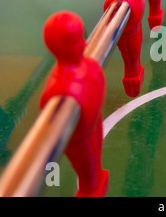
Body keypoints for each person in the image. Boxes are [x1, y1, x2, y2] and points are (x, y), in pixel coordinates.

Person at [40, 11, 108, 197]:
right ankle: (91, 189)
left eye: (81, 38)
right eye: (76, 41)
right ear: (60, 48)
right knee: (89, 173)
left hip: (93, 122)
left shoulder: (87, 66)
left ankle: (95, 185)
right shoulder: (58, 90)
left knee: (96, 163)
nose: (84, 44)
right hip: (81, 138)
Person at [104, 0, 145, 97]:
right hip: (127, 35)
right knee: (131, 61)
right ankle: (132, 85)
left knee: (136, 56)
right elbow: (109, 21)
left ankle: (135, 79)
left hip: (136, 27)